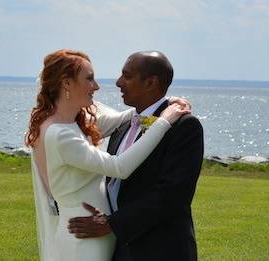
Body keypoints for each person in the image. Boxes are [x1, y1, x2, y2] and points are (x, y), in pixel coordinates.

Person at [27, 49, 190, 261]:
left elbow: (132, 116)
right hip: (82, 237)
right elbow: (119, 167)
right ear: (66, 83)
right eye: (89, 79)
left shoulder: (76, 124)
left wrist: (165, 103)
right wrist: (163, 122)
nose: (96, 86)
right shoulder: (59, 134)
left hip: (100, 238)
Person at [67, 51, 204, 261]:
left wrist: (113, 224)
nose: (118, 83)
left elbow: (173, 194)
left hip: (161, 250)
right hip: (119, 249)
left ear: (151, 82)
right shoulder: (122, 124)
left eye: (127, 76)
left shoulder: (185, 126)